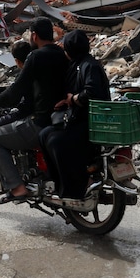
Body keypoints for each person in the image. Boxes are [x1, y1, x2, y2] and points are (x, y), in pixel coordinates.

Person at [0, 17, 68, 203]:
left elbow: (16, 91)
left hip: (40, 122)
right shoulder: (61, 54)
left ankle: (18, 188)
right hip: (60, 119)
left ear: (34, 36)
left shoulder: (35, 57)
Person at [39, 29, 110, 200]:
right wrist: (67, 101)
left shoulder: (88, 65)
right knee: (43, 135)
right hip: (81, 118)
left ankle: (76, 187)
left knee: (57, 141)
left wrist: (74, 98)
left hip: (91, 122)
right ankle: (58, 184)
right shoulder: (81, 63)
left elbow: (92, 92)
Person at [0, 40, 33, 133]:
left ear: (16, 61)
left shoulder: (26, 73)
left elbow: (13, 94)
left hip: (29, 114)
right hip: (36, 113)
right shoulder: (37, 67)